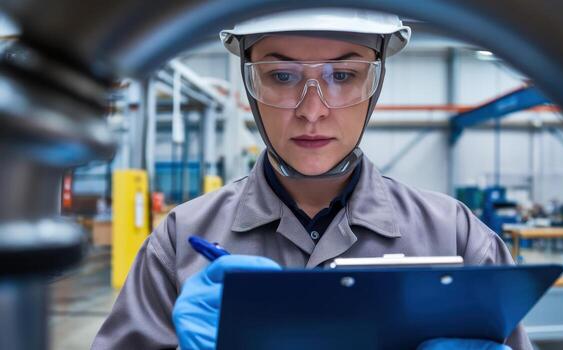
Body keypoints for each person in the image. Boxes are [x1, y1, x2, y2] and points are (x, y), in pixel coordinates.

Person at [92, 9, 531, 350]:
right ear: (250, 82)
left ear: (375, 83)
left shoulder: (455, 236)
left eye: (342, 76)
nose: (312, 109)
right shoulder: (181, 240)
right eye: (282, 76)